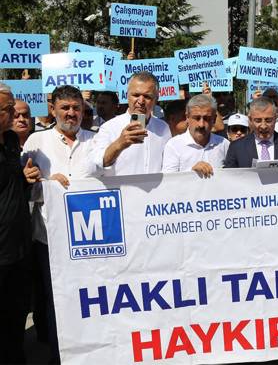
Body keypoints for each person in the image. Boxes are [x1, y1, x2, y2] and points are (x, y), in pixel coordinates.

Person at [22, 85, 98, 364]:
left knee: (89, 299)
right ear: (52, 109)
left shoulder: (95, 141)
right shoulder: (36, 141)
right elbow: (25, 189)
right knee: (57, 302)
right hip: (48, 239)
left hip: (91, 239)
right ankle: (60, 355)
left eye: (76, 108)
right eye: (65, 107)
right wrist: (46, 185)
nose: (71, 113)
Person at [0, 83, 32, 364]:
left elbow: (11, 187)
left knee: (17, 311)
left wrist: (25, 178)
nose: (13, 112)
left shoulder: (10, 141)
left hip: (20, 245)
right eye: (7, 108)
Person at [93, 71, 171, 176]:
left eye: (147, 96)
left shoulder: (163, 128)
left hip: (156, 191)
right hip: (123, 191)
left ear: (156, 99)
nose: (141, 101)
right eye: (136, 95)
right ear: (127, 96)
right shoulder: (109, 128)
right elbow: (97, 166)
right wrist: (119, 144)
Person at [224, 97, 278, 168]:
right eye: (258, 121)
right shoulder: (236, 147)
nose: (263, 126)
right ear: (250, 120)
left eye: (268, 120)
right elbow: (230, 177)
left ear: (275, 118)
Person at [162, 94, 229, 175]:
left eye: (207, 119)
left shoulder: (224, 144)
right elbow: (169, 181)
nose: (201, 124)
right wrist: (192, 173)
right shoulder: (174, 146)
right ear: (187, 117)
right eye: (197, 118)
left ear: (214, 119)